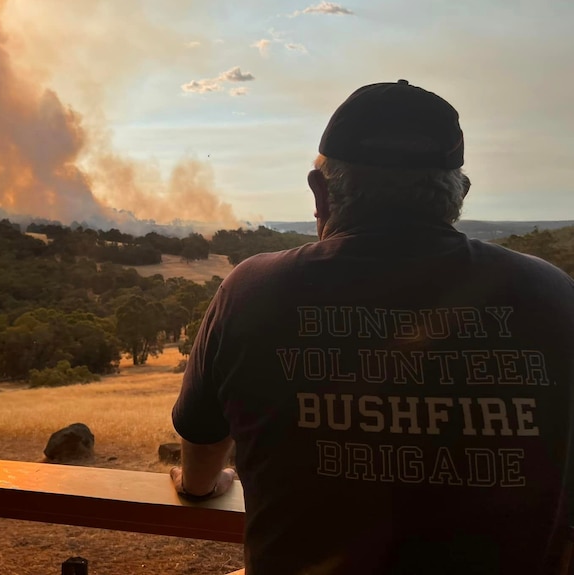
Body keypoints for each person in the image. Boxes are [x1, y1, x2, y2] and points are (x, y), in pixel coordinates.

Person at [171, 79, 574, 574]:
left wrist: (198, 488)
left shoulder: (250, 290)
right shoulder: (553, 294)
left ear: (319, 193)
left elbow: (203, 439)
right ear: (459, 194)